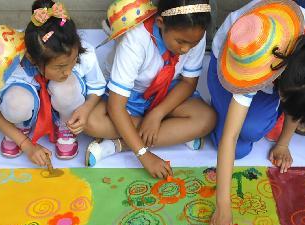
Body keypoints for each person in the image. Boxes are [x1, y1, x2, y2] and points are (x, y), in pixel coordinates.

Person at [207, 0, 305, 225]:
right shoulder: (258, 61)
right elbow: (230, 137)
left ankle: (260, 114)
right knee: (240, 143)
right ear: (280, 86)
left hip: (284, 71)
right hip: (233, 54)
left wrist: (283, 143)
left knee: (253, 128)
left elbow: (301, 98)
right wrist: (223, 205)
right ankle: (220, 106)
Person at [83, 0, 216, 177]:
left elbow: (188, 83)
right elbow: (116, 106)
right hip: (130, 97)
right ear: (160, 23)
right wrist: (145, 156)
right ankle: (174, 133)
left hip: (167, 93)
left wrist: (157, 114)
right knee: (91, 121)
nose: (186, 49)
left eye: (193, 44)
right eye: (180, 42)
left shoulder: (194, 35)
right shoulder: (136, 38)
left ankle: (119, 144)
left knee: (207, 118)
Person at [0, 1, 106, 167]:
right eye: (60, 66)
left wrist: (86, 107)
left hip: (64, 104)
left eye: (73, 61)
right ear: (33, 59)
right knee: (16, 102)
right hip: (26, 100)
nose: (68, 70)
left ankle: (64, 124)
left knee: (66, 88)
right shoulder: (12, 65)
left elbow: (96, 86)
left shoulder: (85, 53)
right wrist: (25, 144)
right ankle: (19, 126)